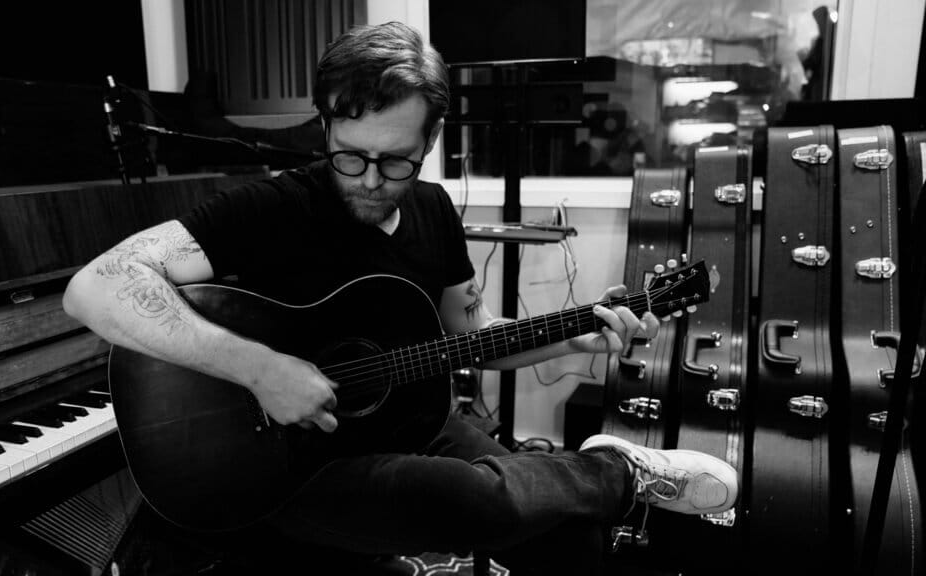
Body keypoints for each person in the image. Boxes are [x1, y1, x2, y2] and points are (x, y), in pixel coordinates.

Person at [63, 21, 737, 574]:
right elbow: (94, 288)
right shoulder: (274, 206)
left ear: (430, 141)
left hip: (409, 426)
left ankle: (598, 483)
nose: (368, 180)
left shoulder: (434, 211)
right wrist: (260, 370)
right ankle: (617, 472)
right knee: (476, 501)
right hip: (289, 468)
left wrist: (578, 336)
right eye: (350, 155)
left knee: (562, 534)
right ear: (327, 126)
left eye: (396, 163)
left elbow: (476, 332)